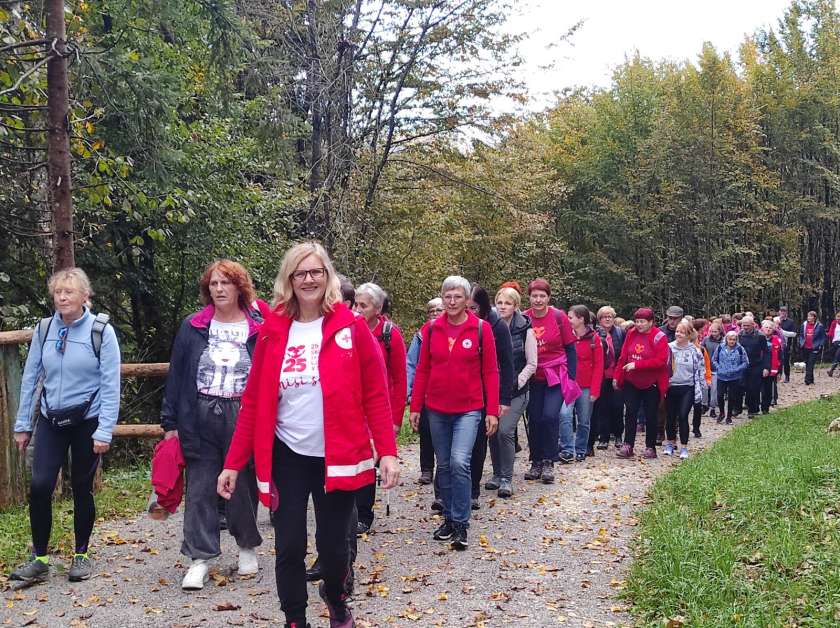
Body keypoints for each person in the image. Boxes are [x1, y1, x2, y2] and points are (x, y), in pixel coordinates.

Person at [217, 242, 399, 628]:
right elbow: (253, 403)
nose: (309, 279)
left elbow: (376, 394)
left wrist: (387, 451)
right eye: (301, 273)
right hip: (287, 454)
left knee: (334, 548)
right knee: (289, 546)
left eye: (316, 272)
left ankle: (336, 598)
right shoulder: (272, 332)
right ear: (289, 280)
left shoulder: (351, 327)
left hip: (339, 455)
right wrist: (233, 463)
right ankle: (295, 619)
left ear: (327, 277)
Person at [10, 268, 121, 583]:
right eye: (58, 292)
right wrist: (23, 425)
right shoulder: (44, 329)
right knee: (40, 486)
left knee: (82, 488)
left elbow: (111, 384)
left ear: (85, 296)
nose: (62, 297)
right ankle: (40, 559)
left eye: (69, 292)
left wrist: (104, 430)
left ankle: (81, 555)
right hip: (51, 419)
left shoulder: (101, 331)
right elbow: (31, 377)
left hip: (87, 420)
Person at [159, 260, 264, 590]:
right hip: (198, 413)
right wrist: (170, 422)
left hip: (242, 413)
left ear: (239, 288)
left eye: (226, 283)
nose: (219, 289)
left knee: (243, 483)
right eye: (214, 284)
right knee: (201, 485)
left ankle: (246, 547)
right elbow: (176, 375)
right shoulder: (193, 326)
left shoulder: (259, 327)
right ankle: (200, 557)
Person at [409, 275, 499, 551]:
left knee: (460, 462)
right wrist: (415, 406)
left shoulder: (481, 329)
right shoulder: (432, 329)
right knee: (444, 464)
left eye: (457, 296)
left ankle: (461, 522)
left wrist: (492, 410)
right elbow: (423, 368)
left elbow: (491, 372)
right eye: (447, 296)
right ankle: (447, 517)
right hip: (436, 408)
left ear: (467, 299)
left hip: (469, 408)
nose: (451, 301)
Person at [352, 282, 407, 534]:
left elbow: (399, 378)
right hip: (353, 408)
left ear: (377, 308)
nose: (357, 309)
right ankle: (350, 510)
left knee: (369, 461)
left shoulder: (389, 334)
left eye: (363, 305)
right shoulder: (349, 330)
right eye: (355, 304)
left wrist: (395, 420)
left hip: (377, 408)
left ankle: (364, 513)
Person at [522, 278, 578, 481]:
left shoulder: (558, 316)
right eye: (534, 296)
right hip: (532, 376)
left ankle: (548, 462)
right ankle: (535, 461)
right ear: (529, 298)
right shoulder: (524, 318)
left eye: (542, 296)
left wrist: (571, 378)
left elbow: (571, 348)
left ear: (548, 297)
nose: (538, 300)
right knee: (534, 418)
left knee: (550, 416)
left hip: (555, 374)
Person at [465, 285, 512, 509]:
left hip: (486, 392)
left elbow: (506, 365)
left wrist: (503, 399)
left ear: (483, 307)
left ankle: (473, 490)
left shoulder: (497, 327)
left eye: (473, 308)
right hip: (460, 391)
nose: (468, 312)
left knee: (478, 441)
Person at [488, 287, 536, 497]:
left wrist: (518, 381)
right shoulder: (488, 327)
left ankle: (507, 478)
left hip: (517, 391)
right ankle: (497, 473)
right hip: (492, 390)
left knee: (505, 431)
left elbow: (532, 363)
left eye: (507, 303)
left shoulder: (525, 329)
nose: (503, 307)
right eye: (499, 303)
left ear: (515, 306)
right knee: (492, 430)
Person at [614, 307, 670, 459]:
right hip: (631, 381)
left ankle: (650, 447)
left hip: (651, 382)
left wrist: (638, 365)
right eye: (637, 321)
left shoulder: (659, 337)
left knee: (651, 414)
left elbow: (660, 361)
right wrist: (617, 376)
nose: (639, 324)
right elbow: (623, 357)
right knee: (631, 412)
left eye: (642, 322)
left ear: (651, 322)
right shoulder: (631, 334)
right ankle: (628, 445)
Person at [406, 298, 444, 485]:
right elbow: (411, 364)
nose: (435, 313)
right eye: (432, 310)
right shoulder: (421, 335)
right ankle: (427, 469)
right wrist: (409, 391)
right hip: (425, 392)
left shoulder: (452, 332)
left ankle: (444, 470)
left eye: (439, 309)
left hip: (444, 391)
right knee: (426, 430)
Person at [566, 305, 604, 460]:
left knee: (584, 420)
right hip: (569, 384)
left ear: (581, 319)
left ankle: (581, 449)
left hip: (586, 386)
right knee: (564, 416)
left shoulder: (594, 338)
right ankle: (566, 448)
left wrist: (595, 391)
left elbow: (599, 366)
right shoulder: (566, 336)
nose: (568, 320)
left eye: (571, 317)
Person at [664, 320, 704, 459]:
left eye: (682, 332)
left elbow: (699, 371)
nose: (678, 334)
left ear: (688, 335)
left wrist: (700, 389)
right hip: (671, 387)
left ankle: (684, 447)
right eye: (677, 331)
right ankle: (669, 443)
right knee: (670, 417)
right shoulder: (668, 347)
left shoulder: (695, 350)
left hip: (688, 387)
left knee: (682, 416)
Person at [592, 306, 625, 450]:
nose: (607, 319)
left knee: (617, 406)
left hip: (617, 374)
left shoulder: (621, 332)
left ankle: (618, 435)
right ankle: (603, 437)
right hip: (601, 375)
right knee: (602, 407)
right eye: (604, 316)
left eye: (610, 316)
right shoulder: (595, 334)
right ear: (599, 320)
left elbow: (624, 354)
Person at [711, 331, 749, 424]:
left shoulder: (740, 349)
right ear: (726, 339)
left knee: (732, 396)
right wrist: (719, 367)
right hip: (721, 376)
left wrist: (737, 369)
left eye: (734, 339)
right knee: (720, 395)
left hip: (734, 377)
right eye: (730, 339)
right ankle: (721, 413)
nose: (732, 341)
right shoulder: (720, 347)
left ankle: (729, 416)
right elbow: (714, 359)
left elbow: (746, 362)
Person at [737, 316, 768, 417]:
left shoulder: (760, 336)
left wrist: (766, 367)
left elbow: (766, 352)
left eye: (747, 325)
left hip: (756, 364)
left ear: (753, 325)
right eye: (743, 325)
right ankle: (737, 408)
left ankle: (753, 409)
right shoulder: (740, 335)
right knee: (740, 386)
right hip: (742, 365)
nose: (745, 327)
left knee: (753, 388)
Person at [760, 320, 783, 414]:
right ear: (762, 329)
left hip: (772, 369)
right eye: (766, 327)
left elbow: (780, 356)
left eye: (770, 328)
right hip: (759, 368)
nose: (768, 329)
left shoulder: (777, 340)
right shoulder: (758, 338)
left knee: (768, 390)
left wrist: (780, 371)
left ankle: (766, 408)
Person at [701, 322, 724, 419]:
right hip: (706, 368)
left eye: (715, 331)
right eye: (711, 331)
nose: (713, 333)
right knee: (705, 388)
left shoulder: (723, 341)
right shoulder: (706, 339)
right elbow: (701, 350)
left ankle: (713, 408)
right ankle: (704, 404)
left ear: (719, 331)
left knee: (714, 390)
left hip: (717, 369)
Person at [799, 310, 826, 385]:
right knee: (807, 363)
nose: (809, 318)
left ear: (814, 317)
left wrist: (821, 344)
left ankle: (807, 380)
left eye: (811, 316)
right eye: (808, 316)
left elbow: (823, 337)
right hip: (805, 347)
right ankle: (811, 380)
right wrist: (801, 342)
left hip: (814, 347)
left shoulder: (819, 326)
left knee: (811, 363)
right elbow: (801, 334)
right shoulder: (804, 325)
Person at [777, 306, 798, 383]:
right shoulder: (775, 320)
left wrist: (782, 332)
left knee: (786, 361)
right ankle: (778, 376)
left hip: (786, 345)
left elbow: (794, 334)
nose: (782, 313)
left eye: (784, 311)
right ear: (779, 312)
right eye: (781, 311)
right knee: (777, 361)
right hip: (775, 344)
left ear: (786, 312)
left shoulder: (790, 322)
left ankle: (787, 376)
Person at [828, 311, 840, 377]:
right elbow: (831, 331)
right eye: (837, 318)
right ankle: (832, 370)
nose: (838, 319)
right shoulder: (834, 323)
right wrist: (827, 335)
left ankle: (831, 370)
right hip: (835, 342)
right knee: (836, 356)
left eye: (839, 318)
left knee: (837, 355)